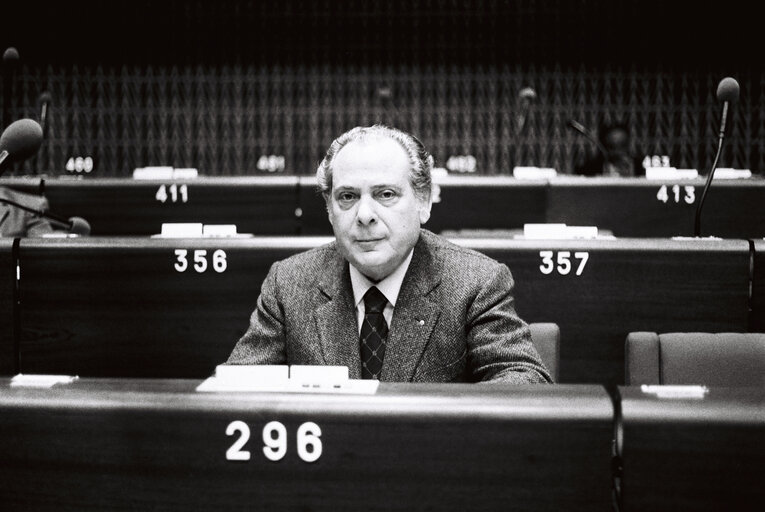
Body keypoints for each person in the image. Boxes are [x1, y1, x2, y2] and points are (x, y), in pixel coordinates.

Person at [225, 125, 551, 383]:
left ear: (423, 202)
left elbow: (523, 378)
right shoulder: (289, 283)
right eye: (348, 196)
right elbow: (237, 387)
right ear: (329, 209)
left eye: (385, 194)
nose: (364, 214)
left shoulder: (476, 282)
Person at [573, 121, 645, 177]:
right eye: (612, 147)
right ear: (604, 146)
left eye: (622, 145)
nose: (617, 152)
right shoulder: (590, 170)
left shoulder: (641, 167)